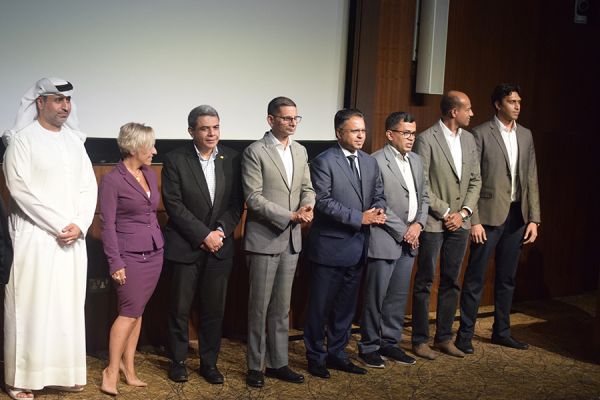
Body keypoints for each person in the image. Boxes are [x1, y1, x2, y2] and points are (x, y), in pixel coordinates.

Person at [2, 77, 97, 399]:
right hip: (34, 238)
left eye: (68, 100)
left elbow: (88, 188)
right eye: (58, 100)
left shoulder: (74, 142)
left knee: (65, 308)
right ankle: (20, 379)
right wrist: (59, 224)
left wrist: (80, 224)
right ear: (40, 102)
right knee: (31, 308)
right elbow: (20, 190)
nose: (65, 106)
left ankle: (62, 373)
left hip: (72, 239)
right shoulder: (22, 141)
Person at [455, 84, 541, 354]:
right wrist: (474, 220)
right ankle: (464, 335)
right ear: (497, 104)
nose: (517, 106)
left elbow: (531, 177)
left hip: (517, 216)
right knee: (475, 277)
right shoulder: (480, 133)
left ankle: (502, 332)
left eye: (519, 101)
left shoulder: (526, 135)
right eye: (512, 101)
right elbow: (472, 179)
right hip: (487, 217)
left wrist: (534, 219)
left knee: (507, 278)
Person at [162, 105, 243, 385]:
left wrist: (219, 231)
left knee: (213, 310)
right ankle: (178, 361)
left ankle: (209, 363)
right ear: (191, 131)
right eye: (205, 128)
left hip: (220, 247)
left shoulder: (232, 158)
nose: (212, 133)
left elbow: (237, 203)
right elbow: (174, 204)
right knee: (179, 308)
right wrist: (203, 235)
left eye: (216, 127)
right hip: (186, 246)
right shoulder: (175, 159)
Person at [304, 108, 386, 379]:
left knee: (345, 308)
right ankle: (315, 357)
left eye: (363, 130)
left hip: (358, 247)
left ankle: (337, 354)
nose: (361, 136)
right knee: (319, 308)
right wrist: (359, 217)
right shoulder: (323, 161)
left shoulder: (369, 162)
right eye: (354, 131)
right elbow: (323, 201)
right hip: (329, 248)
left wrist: (379, 210)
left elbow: (379, 194)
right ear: (339, 133)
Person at [242, 96, 315, 388]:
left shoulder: (300, 150)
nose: (292, 123)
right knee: (258, 308)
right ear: (270, 120)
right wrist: (291, 215)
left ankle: (278, 363)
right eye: (286, 118)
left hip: (292, 240)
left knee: (281, 307)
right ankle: (255, 366)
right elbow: (253, 197)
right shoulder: (255, 151)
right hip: (264, 238)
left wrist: (308, 206)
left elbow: (308, 188)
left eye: (296, 118)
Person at [411, 91, 481, 360]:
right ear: (454, 111)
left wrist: (463, 213)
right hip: (434, 222)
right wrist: (447, 211)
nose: (472, 113)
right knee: (425, 280)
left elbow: (476, 180)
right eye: (468, 109)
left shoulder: (470, 139)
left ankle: (443, 338)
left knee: (452, 281)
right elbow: (421, 183)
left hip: (460, 223)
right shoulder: (426, 139)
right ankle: (420, 340)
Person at [358, 112, 429, 368]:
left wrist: (418, 225)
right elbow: (377, 204)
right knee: (375, 297)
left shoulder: (417, 160)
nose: (411, 138)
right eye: (405, 133)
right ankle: (369, 346)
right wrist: (404, 230)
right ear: (390, 134)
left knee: (397, 297)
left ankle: (390, 342)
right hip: (385, 238)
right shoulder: (375, 161)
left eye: (413, 133)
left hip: (411, 239)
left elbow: (425, 196)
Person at [98, 123, 164, 395]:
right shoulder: (112, 180)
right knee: (128, 313)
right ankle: (111, 371)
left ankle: (129, 367)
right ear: (135, 147)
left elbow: (150, 213)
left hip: (155, 252)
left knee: (137, 312)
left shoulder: (148, 173)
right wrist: (116, 262)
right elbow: (107, 225)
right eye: (150, 146)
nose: (155, 151)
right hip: (129, 257)